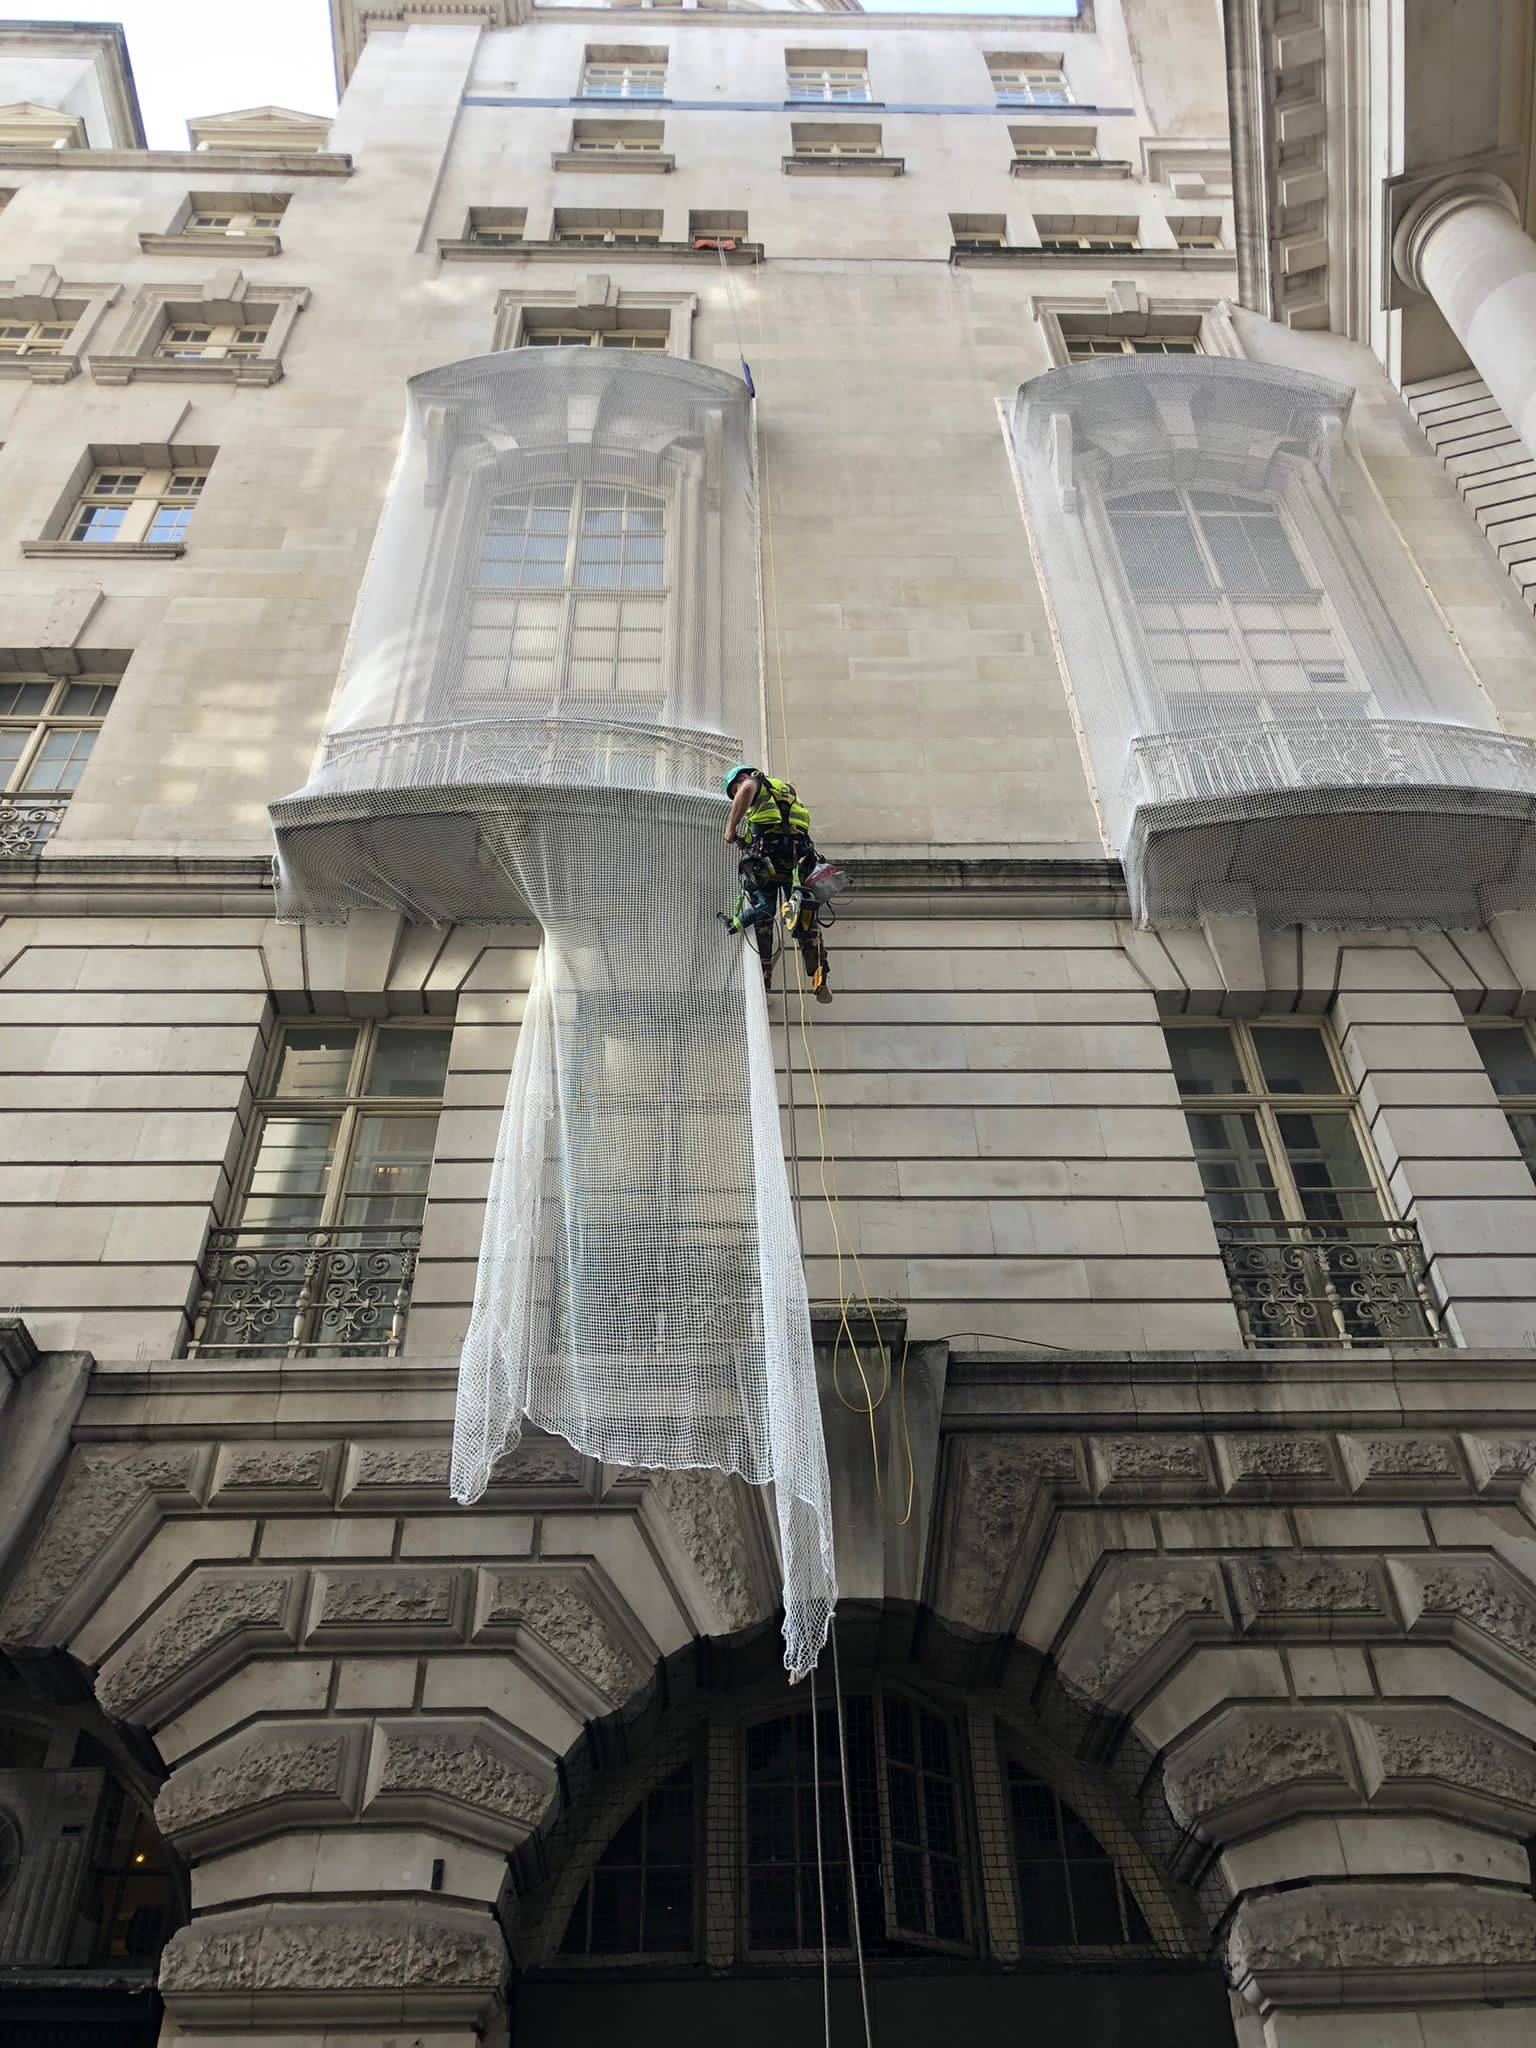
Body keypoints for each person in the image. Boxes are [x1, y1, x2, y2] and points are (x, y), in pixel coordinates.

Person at [721, 763, 833, 1002]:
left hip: (768, 859)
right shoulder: (785, 790)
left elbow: (746, 789)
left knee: (764, 917)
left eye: (733, 790)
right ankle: (819, 977)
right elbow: (779, 821)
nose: (736, 797)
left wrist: (730, 831)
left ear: (741, 777)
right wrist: (746, 840)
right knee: (804, 915)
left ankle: (763, 981)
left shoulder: (752, 782)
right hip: (797, 858)